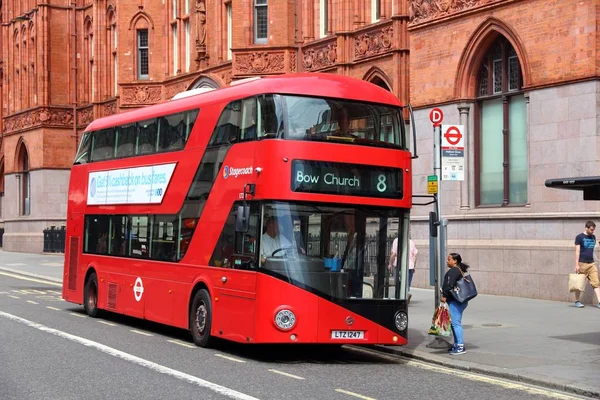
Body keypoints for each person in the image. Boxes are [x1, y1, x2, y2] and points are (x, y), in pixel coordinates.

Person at [441, 252, 470, 355]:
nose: (447, 261)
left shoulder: (454, 271)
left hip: (456, 301)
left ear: (455, 261)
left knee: (456, 323)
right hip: (458, 300)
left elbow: (450, 285)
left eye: (449, 259)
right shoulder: (457, 270)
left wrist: (444, 295)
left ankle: (460, 346)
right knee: (454, 323)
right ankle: (457, 344)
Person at [573, 220, 600, 308]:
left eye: (593, 230)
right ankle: (577, 301)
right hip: (582, 264)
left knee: (596, 283)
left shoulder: (593, 237)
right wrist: (576, 264)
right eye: (591, 230)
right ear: (586, 228)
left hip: (591, 264)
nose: (593, 231)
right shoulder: (579, 237)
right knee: (579, 283)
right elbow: (577, 251)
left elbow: (592, 250)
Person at [388, 236, 418, 303]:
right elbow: (415, 255)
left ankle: (401, 297)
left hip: (400, 265)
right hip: (410, 266)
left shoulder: (396, 240)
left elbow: (393, 254)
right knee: (407, 283)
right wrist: (414, 266)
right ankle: (407, 293)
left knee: (398, 281)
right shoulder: (411, 242)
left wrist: (390, 263)